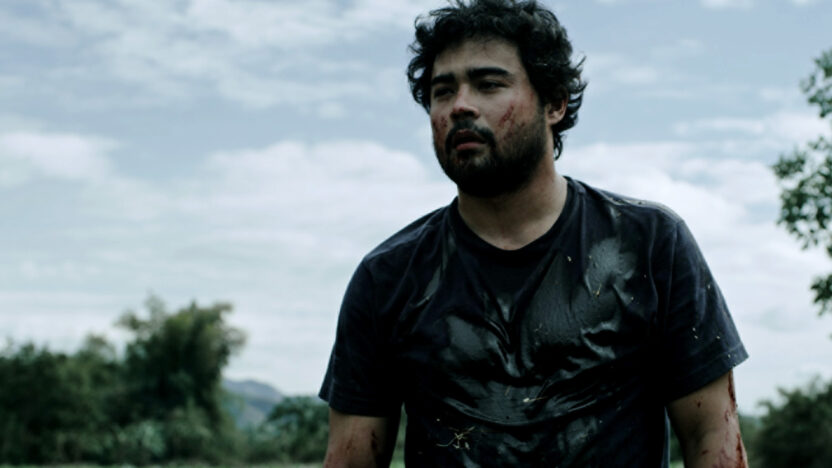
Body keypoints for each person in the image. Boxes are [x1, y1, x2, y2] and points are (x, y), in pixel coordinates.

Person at [320, 0, 748, 466]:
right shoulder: (388, 276)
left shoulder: (649, 245)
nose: (460, 105)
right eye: (443, 91)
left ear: (554, 103)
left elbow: (712, 437)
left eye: (488, 84)